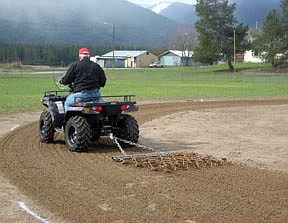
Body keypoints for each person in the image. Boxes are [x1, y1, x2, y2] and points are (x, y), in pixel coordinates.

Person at [60, 48, 107, 112]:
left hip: (81, 95)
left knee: (67, 103)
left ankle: (67, 121)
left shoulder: (75, 66)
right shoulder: (96, 66)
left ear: (79, 56)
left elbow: (66, 80)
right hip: (96, 95)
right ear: (88, 56)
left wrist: (62, 81)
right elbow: (103, 82)